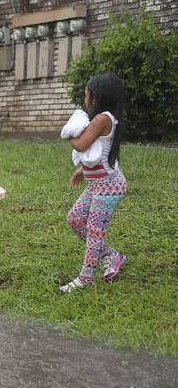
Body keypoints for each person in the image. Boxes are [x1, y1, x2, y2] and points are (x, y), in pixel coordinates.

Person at [61, 73, 128, 293]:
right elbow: (99, 151)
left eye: (87, 93)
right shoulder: (102, 118)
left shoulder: (102, 119)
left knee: (94, 230)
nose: (85, 98)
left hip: (109, 187)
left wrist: (66, 133)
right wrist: (82, 171)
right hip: (98, 184)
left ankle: (86, 278)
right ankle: (111, 255)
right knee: (75, 219)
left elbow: (81, 144)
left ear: (98, 96)